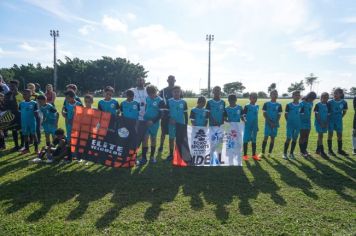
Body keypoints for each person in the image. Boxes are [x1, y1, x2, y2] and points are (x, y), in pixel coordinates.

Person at [138, 85, 165, 165]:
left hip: (154, 123)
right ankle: (143, 158)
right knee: (145, 139)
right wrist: (146, 117)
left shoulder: (160, 101)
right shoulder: (147, 98)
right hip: (146, 122)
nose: (151, 95)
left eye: (153, 93)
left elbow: (161, 114)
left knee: (153, 139)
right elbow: (147, 108)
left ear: (156, 91)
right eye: (149, 94)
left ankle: (152, 157)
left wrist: (153, 121)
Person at [167, 86, 188, 161]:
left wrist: (186, 125)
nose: (176, 93)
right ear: (172, 93)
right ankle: (171, 154)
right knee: (171, 139)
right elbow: (165, 113)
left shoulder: (184, 102)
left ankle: (179, 155)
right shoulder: (168, 101)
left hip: (181, 124)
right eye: (175, 92)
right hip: (171, 124)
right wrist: (169, 119)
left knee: (180, 139)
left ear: (180, 92)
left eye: (178, 92)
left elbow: (185, 114)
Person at [260, 90, 282, 157]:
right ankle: (262, 152)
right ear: (270, 95)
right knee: (265, 137)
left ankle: (269, 153)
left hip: (275, 124)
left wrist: (275, 122)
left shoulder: (279, 105)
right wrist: (270, 122)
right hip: (268, 124)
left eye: (276, 94)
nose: (275, 95)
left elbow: (279, 115)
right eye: (273, 94)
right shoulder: (266, 104)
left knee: (272, 138)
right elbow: (264, 114)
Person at [327, 88, 348, 156]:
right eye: (334, 93)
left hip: (339, 121)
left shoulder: (344, 102)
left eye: (337, 93)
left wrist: (340, 117)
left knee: (339, 135)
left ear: (341, 94)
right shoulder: (329, 102)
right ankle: (330, 150)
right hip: (331, 121)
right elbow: (327, 112)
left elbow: (344, 112)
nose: (335, 94)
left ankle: (339, 150)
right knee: (330, 135)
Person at [158, 75, 176, 152]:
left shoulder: (178, 90)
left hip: (174, 115)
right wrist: (161, 112)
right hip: (165, 115)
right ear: (167, 80)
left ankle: (172, 149)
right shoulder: (163, 91)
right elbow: (159, 102)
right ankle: (161, 146)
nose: (171, 81)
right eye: (170, 80)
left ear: (175, 81)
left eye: (173, 80)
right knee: (163, 132)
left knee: (173, 133)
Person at [4, 80, 24, 151]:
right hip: (11, 116)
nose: (11, 87)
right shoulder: (7, 94)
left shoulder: (20, 95)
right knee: (13, 130)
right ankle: (16, 145)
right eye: (10, 86)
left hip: (19, 115)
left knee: (21, 130)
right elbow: (5, 105)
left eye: (12, 86)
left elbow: (22, 106)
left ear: (17, 86)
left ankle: (22, 145)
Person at [283, 90, 302, 159]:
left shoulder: (301, 105)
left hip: (298, 125)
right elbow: (286, 114)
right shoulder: (288, 105)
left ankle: (291, 153)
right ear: (292, 96)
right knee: (288, 138)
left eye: (298, 95)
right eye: (295, 95)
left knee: (295, 139)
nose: (297, 96)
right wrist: (289, 122)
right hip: (290, 125)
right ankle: (284, 153)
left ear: (300, 96)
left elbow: (301, 115)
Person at [19, 89, 39, 154]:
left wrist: (38, 122)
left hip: (32, 122)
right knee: (25, 135)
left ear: (30, 95)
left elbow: (36, 114)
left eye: (25, 94)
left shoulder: (34, 103)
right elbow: (20, 113)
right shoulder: (21, 103)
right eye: (23, 94)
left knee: (34, 134)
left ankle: (36, 149)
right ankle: (27, 149)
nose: (24, 95)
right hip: (24, 122)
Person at [242, 92, 260, 161]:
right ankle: (245, 155)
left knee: (254, 140)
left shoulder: (257, 106)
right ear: (250, 98)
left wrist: (257, 126)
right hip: (247, 126)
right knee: (246, 140)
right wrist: (245, 120)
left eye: (256, 97)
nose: (255, 99)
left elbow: (256, 117)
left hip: (254, 127)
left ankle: (254, 155)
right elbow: (243, 115)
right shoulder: (247, 106)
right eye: (253, 97)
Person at [299, 91, 317, 157]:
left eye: (313, 99)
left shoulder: (311, 103)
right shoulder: (302, 103)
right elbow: (299, 113)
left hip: (308, 122)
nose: (312, 100)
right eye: (311, 98)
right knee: (302, 136)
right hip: (301, 122)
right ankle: (302, 151)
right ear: (308, 96)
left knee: (306, 136)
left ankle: (305, 150)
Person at [314, 92, 330, 158]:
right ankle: (322, 152)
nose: (325, 99)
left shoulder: (328, 105)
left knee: (320, 136)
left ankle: (318, 149)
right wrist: (321, 123)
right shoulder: (317, 105)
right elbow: (316, 115)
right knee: (320, 136)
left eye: (326, 97)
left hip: (325, 123)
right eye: (323, 97)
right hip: (318, 123)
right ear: (321, 97)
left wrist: (326, 123)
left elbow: (328, 115)